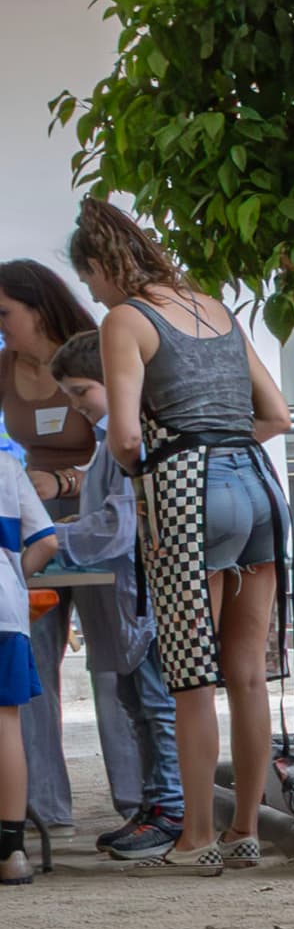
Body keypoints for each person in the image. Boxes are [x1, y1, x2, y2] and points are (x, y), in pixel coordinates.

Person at [73, 197, 292, 875]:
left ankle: (197, 835)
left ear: (102, 268)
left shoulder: (124, 320)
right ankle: (246, 830)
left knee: (191, 678)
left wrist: (158, 468)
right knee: (249, 675)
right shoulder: (218, 311)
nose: (92, 293)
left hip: (186, 495)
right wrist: (223, 448)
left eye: (88, 281)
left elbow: (127, 434)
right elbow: (277, 413)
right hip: (258, 488)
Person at [2, 257, 172, 847]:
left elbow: (118, 454)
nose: (1, 327)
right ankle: (42, 806)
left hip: (93, 519)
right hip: (48, 526)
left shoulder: (97, 352)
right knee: (33, 665)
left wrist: (64, 485)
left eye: (5, 314)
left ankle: (142, 800)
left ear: (36, 305)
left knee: (116, 663)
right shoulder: (6, 366)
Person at [27, 326, 184, 858]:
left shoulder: (128, 443)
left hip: (142, 600)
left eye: (81, 392)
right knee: (138, 705)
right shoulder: (109, 444)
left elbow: (117, 528)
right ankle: (153, 804)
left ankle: (170, 809)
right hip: (126, 601)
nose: (75, 406)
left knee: (156, 707)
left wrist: (52, 538)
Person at [0, 449, 43, 881]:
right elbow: (45, 539)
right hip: (4, 607)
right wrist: (16, 578)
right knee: (5, 724)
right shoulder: (7, 467)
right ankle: (11, 852)